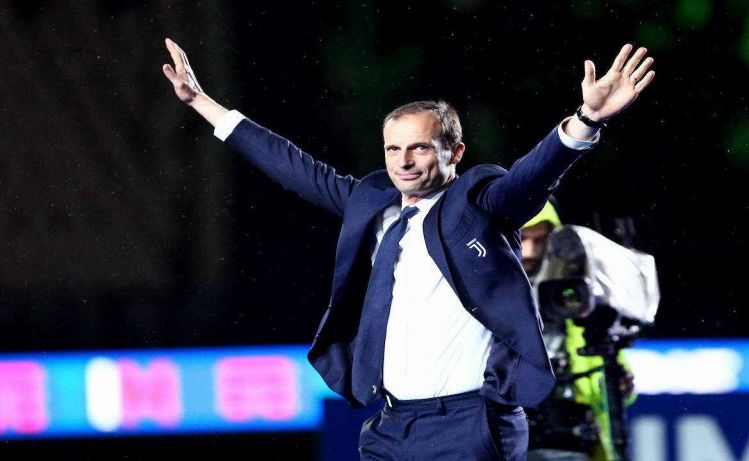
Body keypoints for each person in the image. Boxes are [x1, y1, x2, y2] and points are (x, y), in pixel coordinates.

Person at [161, 37, 654, 460]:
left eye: (419, 147)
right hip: (392, 427)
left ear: (454, 152)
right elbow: (290, 164)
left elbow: (533, 175)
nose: (404, 162)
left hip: (470, 423)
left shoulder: (480, 203)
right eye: (393, 149)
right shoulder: (371, 204)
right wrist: (201, 103)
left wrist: (587, 119)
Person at [522, 202, 636, 461]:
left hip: (570, 440)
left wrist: (621, 385)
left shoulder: (578, 296)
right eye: (522, 238)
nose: (530, 250)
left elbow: (612, 375)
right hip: (501, 439)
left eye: (539, 240)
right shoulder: (479, 294)